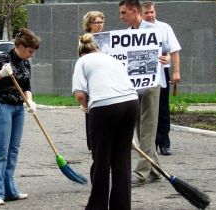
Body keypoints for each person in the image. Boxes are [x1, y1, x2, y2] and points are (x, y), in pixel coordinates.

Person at [72, 33, 138, 210]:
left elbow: (80, 95)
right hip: (131, 104)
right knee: (122, 160)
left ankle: (97, 207)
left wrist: (86, 108)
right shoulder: (112, 60)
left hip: (104, 107)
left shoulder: (82, 62)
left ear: (81, 52)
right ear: (97, 48)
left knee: (101, 159)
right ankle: (121, 206)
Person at [0, 28, 40, 206]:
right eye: (30, 51)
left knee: (13, 150)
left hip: (17, 109)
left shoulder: (25, 63)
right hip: (0, 107)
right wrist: (1, 74)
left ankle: (10, 190)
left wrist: (30, 101)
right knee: (1, 151)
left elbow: (26, 85)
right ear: (21, 46)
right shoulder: (3, 59)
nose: (31, 55)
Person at [119, 0, 171, 186]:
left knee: (148, 129)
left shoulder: (154, 30)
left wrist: (167, 59)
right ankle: (155, 170)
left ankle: (141, 173)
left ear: (135, 11)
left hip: (151, 85)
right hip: (133, 87)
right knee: (140, 129)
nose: (121, 16)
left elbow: (168, 53)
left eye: (124, 12)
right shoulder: (125, 35)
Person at [141, 1, 181, 156]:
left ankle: (164, 143)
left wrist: (175, 71)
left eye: (152, 12)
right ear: (141, 13)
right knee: (143, 110)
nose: (150, 15)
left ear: (155, 12)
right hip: (142, 75)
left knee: (162, 109)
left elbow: (174, 50)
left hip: (161, 72)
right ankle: (147, 145)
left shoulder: (165, 28)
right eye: (147, 13)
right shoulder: (136, 29)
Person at [82, 11, 105, 151]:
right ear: (89, 24)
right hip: (91, 78)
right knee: (90, 110)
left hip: (104, 77)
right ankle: (92, 142)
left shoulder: (106, 37)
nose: (100, 25)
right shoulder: (85, 39)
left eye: (101, 22)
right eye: (97, 22)